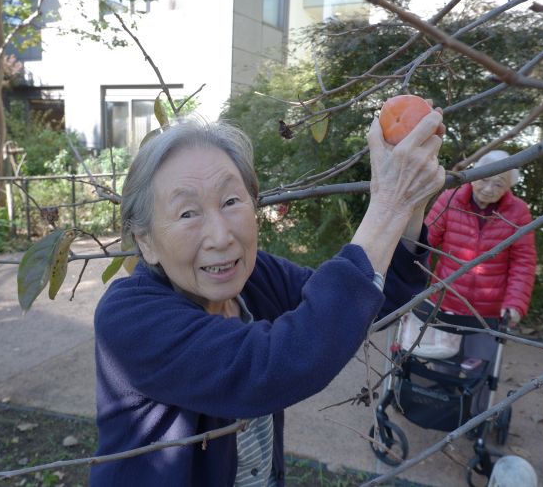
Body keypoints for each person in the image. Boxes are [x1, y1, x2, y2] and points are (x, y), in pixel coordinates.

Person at [91, 112, 445, 486]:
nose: (221, 236)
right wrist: (387, 205)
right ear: (145, 241)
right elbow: (270, 367)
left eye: (230, 201)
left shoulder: (255, 277)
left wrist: (408, 208)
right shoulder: (129, 318)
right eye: (188, 213)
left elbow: (365, 305)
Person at [424, 149, 537, 413]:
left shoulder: (517, 212)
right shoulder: (450, 198)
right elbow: (426, 243)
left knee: (481, 369)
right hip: (446, 300)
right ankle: (442, 407)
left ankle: (477, 417)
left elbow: (523, 262)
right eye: (483, 179)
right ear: (473, 176)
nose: (487, 189)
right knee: (444, 361)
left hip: (487, 312)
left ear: (509, 187)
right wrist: (414, 284)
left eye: (498, 183)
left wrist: (515, 304)